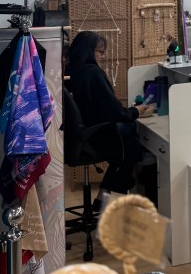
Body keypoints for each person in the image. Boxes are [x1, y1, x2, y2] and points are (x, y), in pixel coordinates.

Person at [65, 31, 152, 202]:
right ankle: (105, 196)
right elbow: (115, 112)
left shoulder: (69, 72)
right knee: (129, 143)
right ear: (89, 51)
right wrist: (136, 111)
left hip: (74, 138)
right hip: (93, 138)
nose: (103, 57)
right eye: (100, 52)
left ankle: (106, 194)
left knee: (126, 137)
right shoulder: (93, 74)